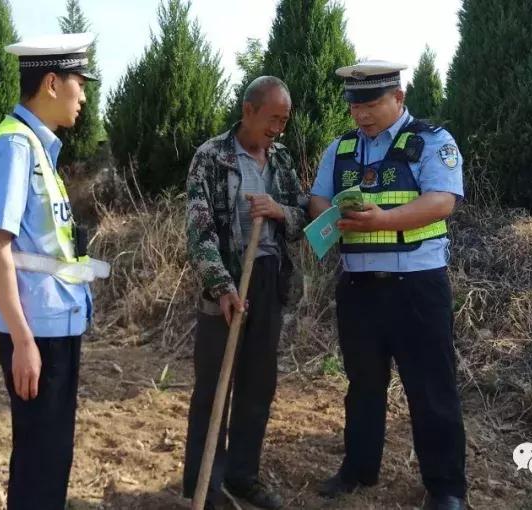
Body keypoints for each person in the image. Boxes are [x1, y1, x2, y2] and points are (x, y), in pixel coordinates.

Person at [308, 60, 468, 510]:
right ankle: (358, 469)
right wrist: (329, 214)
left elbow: (442, 201)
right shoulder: (339, 149)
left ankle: (446, 488)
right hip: (358, 287)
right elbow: (318, 196)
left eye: (372, 103)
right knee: (362, 385)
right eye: (355, 104)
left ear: (398, 97)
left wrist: (384, 220)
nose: (361, 114)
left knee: (431, 388)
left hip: (416, 285)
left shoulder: (431, 141)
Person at [0, 32, 109, 510]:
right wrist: (23, 341)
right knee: (38, 459)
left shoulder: (38, 149)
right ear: (52, 82)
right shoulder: (14, 147)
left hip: (56, 324)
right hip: (37, 333)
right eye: (79, 83)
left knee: (52, 456)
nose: (84, 95)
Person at [182, 76, 306, 510]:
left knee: (258, 383)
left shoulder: (282, 160)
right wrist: (221, 286)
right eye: (273, 119)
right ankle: (204, 485)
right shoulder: (211, 158)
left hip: (268, 278)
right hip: (226, 282)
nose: (278, 129)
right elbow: (199, 234)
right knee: (214, 387)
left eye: (284, 121)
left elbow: (302, 215)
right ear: (249, 111)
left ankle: (242, 475)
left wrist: (278, 210)